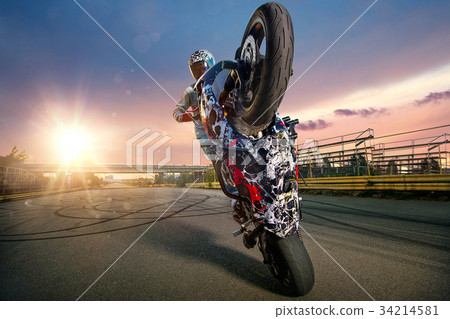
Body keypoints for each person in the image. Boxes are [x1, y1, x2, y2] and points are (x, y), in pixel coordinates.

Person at [173, 49, 243, 222]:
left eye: (204, 67)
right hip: (206, 135)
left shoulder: (221, 81)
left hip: (228, 127)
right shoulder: (191, 91)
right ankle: (235, 199)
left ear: (212, 64)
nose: (201, 71)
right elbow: (176, 113)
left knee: (241, 158)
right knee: (222, 163)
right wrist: (193, 114)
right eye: (196, 69)